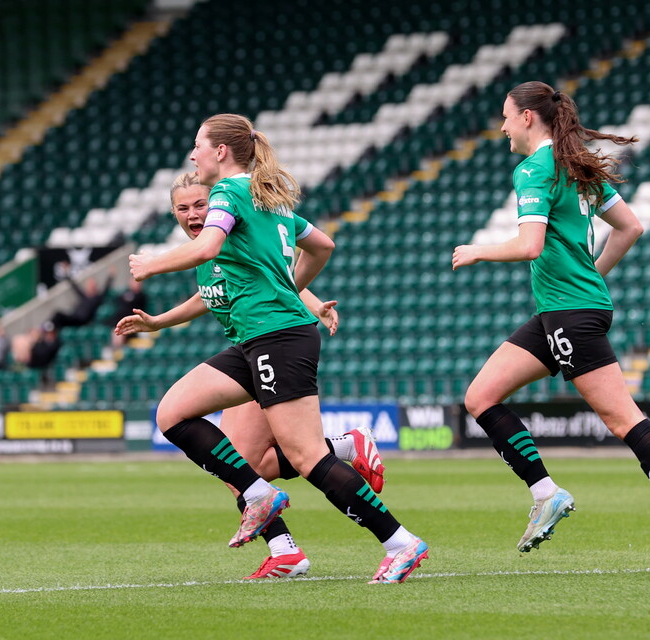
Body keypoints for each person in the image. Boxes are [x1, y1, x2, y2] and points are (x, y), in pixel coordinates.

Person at [128, 114, 427, 584]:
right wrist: (290, 293)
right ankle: (262, 500)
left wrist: (151, 265)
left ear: (221, 151)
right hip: (257, 339)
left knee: (307, 457)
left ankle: (400, 542)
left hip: (276, 337)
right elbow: (322, 246)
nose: (193, 154)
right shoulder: (267, 197)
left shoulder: (230, 192)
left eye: (197, 145)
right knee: (173, 414)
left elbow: (207, 249)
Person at [452, 81, 650, 576]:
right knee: (480, 398)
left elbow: (530, 245)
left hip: (571, 314)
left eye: (507, 117)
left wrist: (477, 251)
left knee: (624, 420)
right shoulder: (574, 165)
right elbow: (631, 228)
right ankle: (546, 493)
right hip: (561, 312)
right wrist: (593, 275)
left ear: (529, 118)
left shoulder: (535, 168)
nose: (503, 127)